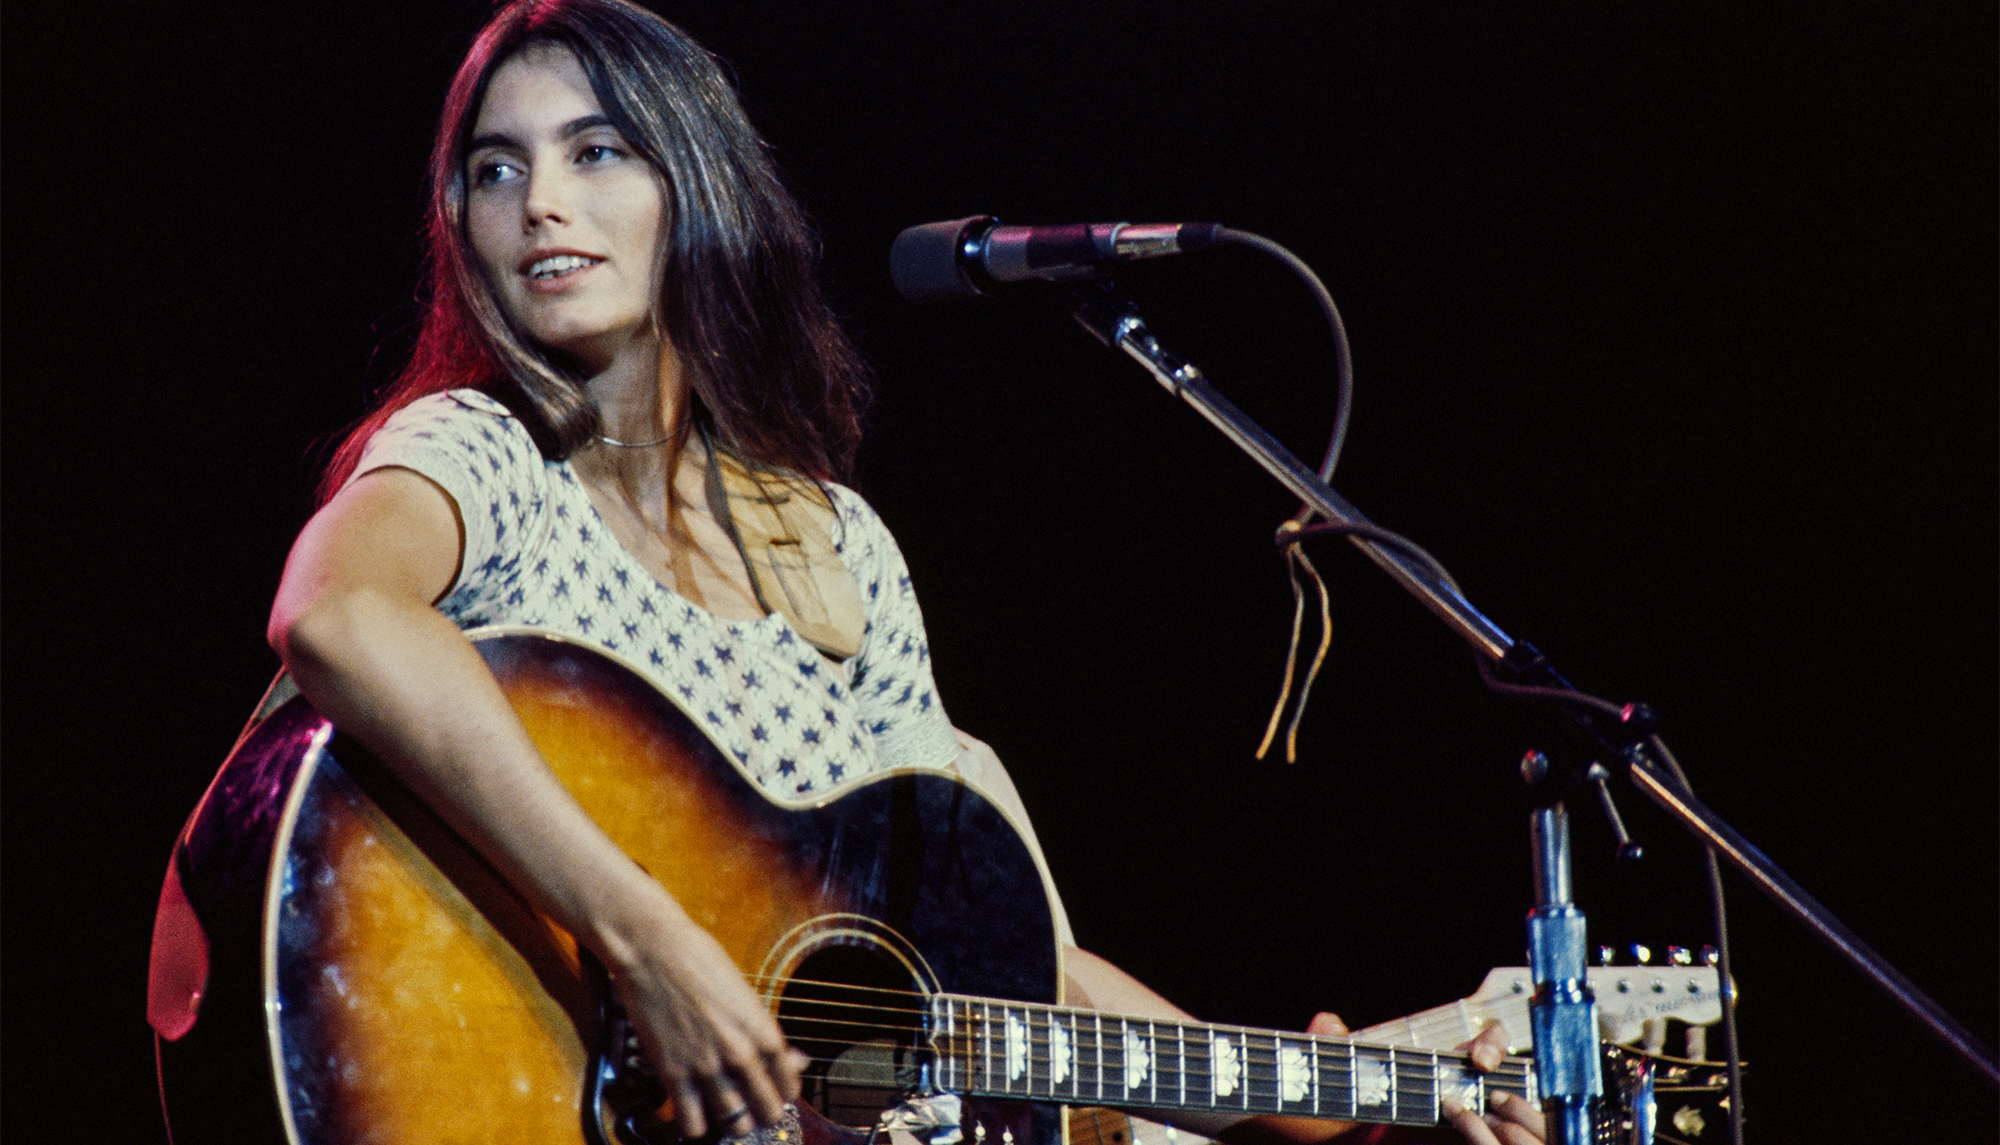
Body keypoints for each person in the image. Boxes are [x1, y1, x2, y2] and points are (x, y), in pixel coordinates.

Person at [266, 2, 1543, 1143]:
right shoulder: (482, 454)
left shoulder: (829, 543)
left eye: (596, 150)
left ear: (695, 185)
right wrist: (645, 939)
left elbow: (998, 960)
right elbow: (337, 609)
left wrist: (1296, 1095)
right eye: (496, 169)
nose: (540, 200)